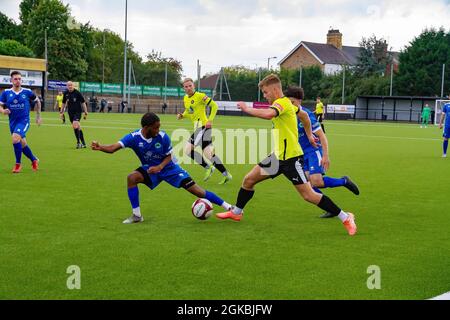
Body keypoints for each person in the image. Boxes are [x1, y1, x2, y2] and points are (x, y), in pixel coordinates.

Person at [215, 74, 357, 236]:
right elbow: (303, 115)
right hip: (277, 158)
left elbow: (269, 115)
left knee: (309, 195)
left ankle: (346, 217)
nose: (265, 96)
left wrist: (246, 109)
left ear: (275, 89)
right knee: (249, 180)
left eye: (266, 92)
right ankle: (237, 212)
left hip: (290, 159)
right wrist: (310, 135)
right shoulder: (289, 105)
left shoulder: (281, 103)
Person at [91, 112, 233, 224]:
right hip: (151, 169)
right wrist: (100, 147)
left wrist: (160, 166)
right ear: (146, 128)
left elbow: (170, 156)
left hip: (170, 168)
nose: (158, 130)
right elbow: (113, 148)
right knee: (132, 178)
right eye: (156, 127)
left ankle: (228, 207)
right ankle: (137, 215)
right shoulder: (133, 137)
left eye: (159, 127)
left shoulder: (163, 137)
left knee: (197, 191)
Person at [284, 86, 360, 218]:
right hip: (300, 154)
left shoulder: (306, 115)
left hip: (313, 151)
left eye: (292, 102)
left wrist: (325, 155)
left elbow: (322, 136)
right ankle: (330, 208)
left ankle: (344, 181)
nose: (290, 105)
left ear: (299, 101)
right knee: (307, 184)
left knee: (316, 181)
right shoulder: (288, 115)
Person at [178, 78, 232, 184]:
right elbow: (189, 112)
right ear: (183, 88)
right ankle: (226, 174)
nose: (189, 88)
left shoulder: (200, 96)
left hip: (203, 127)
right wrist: (182, 115)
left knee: (188, 150)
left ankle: (208, 167)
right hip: (198, 127)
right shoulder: (185, 98)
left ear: (194, 86)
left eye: (190, 85)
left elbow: (214, 105)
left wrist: (210, 120)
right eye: (186, 86)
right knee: (209, 154)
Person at [0, 71, 42, 173]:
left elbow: (38, 101)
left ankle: (18, 164)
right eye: (15, 79)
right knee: (22, 144)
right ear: (11, 80)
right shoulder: (6, 92)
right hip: (12, 122)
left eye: (19, 79)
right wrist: (3, 111)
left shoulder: (27, 92)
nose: (18, 81)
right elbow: (0, 105)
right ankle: (34, 159)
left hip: (24, 121)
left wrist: (38, 116)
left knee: (15, 139)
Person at [61, 81, 88, 149]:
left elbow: (83, 102)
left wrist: (85, 111)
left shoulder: (77, 93)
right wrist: (61, 111)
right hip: (70, 113)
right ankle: (84, 143)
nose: (70, 86)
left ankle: (78, 143)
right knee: (77, 127)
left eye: (71, 85)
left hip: (78, 112)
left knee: (75, 124)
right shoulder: (66, 93)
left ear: (73, 86)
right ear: (67, 86)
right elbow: (64, 103)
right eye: (68, 85)